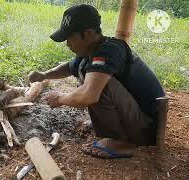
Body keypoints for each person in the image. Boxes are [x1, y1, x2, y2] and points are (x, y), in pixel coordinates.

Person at [28, 4, 165, 159]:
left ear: (88, 33)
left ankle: (123, 141)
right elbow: (70, 67)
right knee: (86, 72)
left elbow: (89, 95)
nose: (67, 45)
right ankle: (119, 133)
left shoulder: (110, 50)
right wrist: (44, 75)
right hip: (137, 118)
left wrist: (60, 98)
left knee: (99, 85)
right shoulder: (92, 50)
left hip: (147, 128)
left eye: (71, 39)